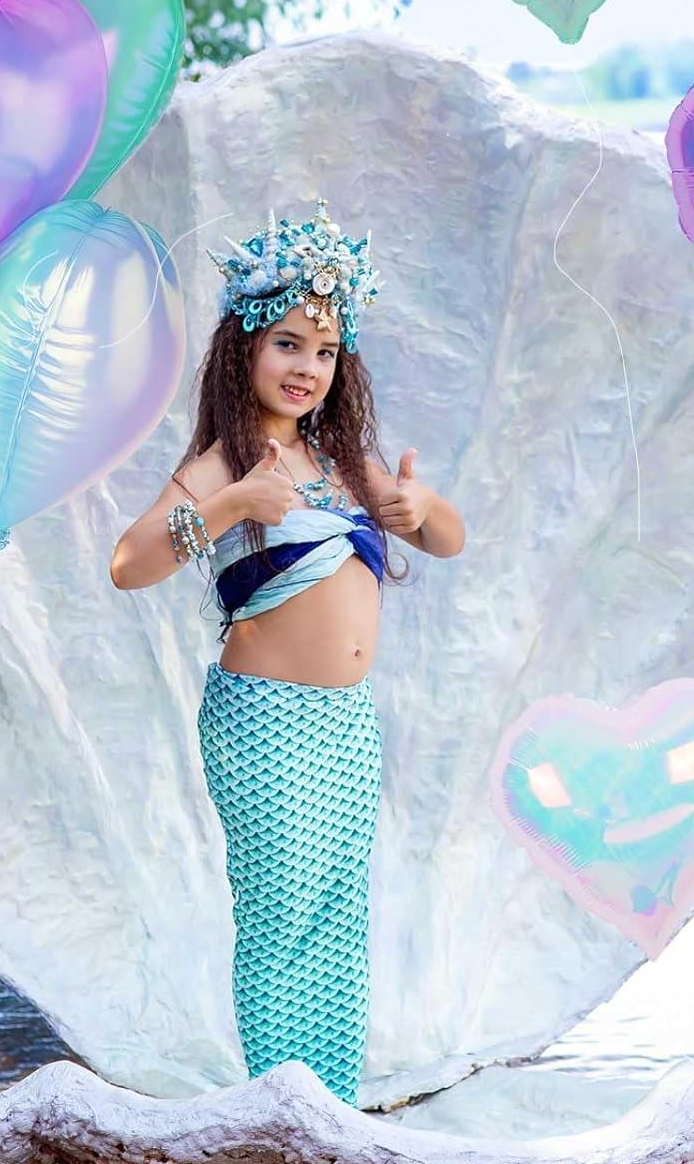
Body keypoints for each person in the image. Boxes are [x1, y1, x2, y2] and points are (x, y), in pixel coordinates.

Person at [109, 197, 464, 1106]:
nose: (308, 367)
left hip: (346, 723)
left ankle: (330, 1107)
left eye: (326, 351)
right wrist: (232, 506)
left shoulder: (344, 464)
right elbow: (128, 564)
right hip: (264, 720)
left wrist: (421, 509)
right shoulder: (222, 465)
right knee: (282, 913)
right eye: (288, 344)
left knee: (338, 917)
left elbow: (447, 540)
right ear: (246, 349)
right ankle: (280, 1108)